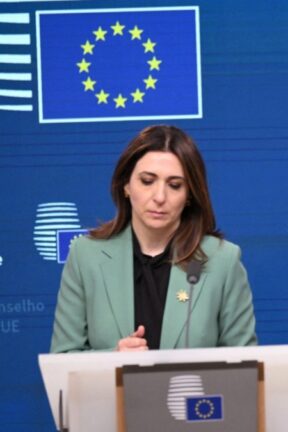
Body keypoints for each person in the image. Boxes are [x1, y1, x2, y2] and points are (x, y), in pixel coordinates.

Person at [50, 125, 257, 353]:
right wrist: (113, 359)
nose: (160, 197)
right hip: (111, 391)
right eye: (147, 181)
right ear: (126, 186)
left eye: (174, 185)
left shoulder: (222, 260)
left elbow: (244, 366)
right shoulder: (85, 255)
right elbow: (63, 359)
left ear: (189, 195)